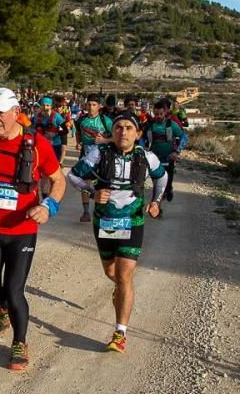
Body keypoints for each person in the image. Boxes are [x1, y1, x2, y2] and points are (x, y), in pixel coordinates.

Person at [0, 87, 66, 370]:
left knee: (16, 289)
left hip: (22, 231)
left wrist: (48, 207)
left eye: (0, 114)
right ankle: (3, 306)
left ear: (16, 114)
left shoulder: (37, 144)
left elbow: (58, 181)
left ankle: (20, 342)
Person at [67, 112, 167, 353]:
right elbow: (73, 175)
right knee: (111, 271)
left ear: (138, 133)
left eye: (129, 128)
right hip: (105, 220)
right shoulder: (99, 153)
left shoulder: (146, 157)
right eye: (119, 127)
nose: (123, 132)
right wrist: (92, 193)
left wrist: (156, 202)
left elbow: (161, 177)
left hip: (132, 220)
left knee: (124, 274)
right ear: (112, 132)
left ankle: (119, 332)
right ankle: (122, 290)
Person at [74, 94, 113, 222]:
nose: (91, 107)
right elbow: (79, 132)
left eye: (94, 105)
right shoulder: (81, 119)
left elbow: (116, 138)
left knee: (104, 183)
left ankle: (103, 210)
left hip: (102, 156)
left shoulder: (106, 121)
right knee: (85, 182)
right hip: (86, 154)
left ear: (99, 106)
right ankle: (86, 212)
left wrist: (104, 140)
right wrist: (79, 142)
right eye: (89, 105)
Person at [144, 98, 188, 202]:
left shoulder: (171, 124)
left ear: (165, 112)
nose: (158, 116)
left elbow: (183, 137)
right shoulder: (150, 125)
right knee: (156, 183)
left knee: (167, 181)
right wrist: (143, 148)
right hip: (154, 157)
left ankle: (168, 190)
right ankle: (157, 203)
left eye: (160, 114)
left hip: (169, 157)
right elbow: (142, 138)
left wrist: (176, 152)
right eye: (156, 114)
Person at [33, 96, 67, 196]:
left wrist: (55, 132)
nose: (45, 107)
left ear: (51, 106)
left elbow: (64, 131)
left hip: (55, 147)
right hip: (41, 147)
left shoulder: (56, 117)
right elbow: (31, 130)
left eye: (47, 105)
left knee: (52, 174)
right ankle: (44, 196)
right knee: (43, 175)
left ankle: (53, 194)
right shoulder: (36, 117)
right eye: (43, 105)